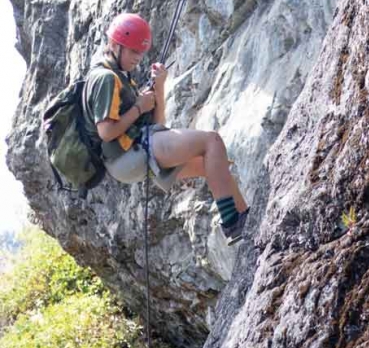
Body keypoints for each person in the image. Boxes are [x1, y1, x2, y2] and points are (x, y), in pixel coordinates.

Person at [82, 13, 249, 245]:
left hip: (132, 154)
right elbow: (106, 132)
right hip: (126, 155)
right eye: (132, 51)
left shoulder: (121, 77)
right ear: (114, 45)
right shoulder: (105, 78)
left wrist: (159, 88)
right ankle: (232, 223)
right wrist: (139, 108)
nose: (137, 59)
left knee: (214, 166)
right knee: (212, 141)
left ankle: (245, 222)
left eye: (140, 53)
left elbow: (157, 125)